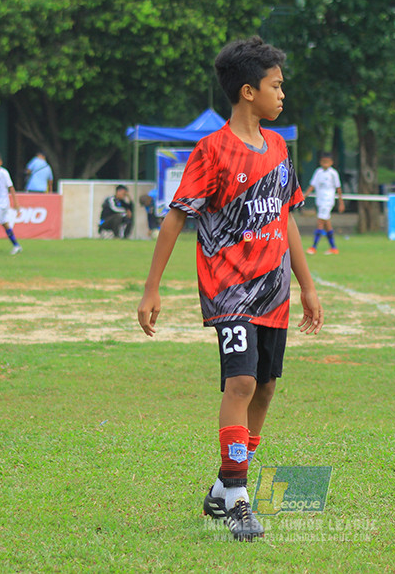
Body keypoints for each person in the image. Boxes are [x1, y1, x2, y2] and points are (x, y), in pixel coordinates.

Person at [136, 36, 322, 542]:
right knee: (239, 385)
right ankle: (239, 498)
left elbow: (286, 219)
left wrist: (306, 285)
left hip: (274, 292)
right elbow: (177, 218)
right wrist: (151, 290)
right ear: (247, 92)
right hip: (228, 291)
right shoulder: (212, 150)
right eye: (275, 85)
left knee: (264, 387)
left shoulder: (279, 148)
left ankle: (223, 485)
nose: (282, 94)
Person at [303, 151, 345, 254]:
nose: (325, 163)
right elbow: (312, 185)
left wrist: (341, 202)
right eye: (323, 161)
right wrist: (304, 195)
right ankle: (333, 247)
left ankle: (314, 247)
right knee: (327, 223)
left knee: (320, 222)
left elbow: (338, 188)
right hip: (320, 201)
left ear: (331, 162)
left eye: (327, 161)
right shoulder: (318, 172)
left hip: (327, 201)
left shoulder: (333, 173)